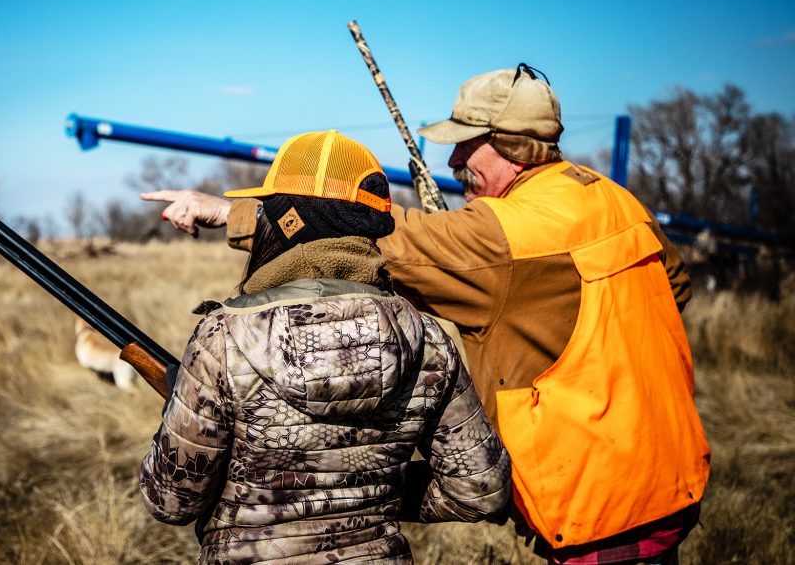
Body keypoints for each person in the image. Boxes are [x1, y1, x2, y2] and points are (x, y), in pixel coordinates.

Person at [147, 65, 711, 565]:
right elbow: (674, 290)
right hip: (667, 473)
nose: (453, 159)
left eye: (467, 144)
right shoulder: (616, 200)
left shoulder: (504, 236)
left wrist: (239, 213)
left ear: (510, 143)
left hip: (596, 497)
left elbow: (361, 234)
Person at [138, 130, 511, 563]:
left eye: (267, 209)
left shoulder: (223, 338)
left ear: (289, 221)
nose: (261, 220)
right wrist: (373, 493)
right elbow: (481, 491)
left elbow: (169, 502)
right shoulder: (429, 338)